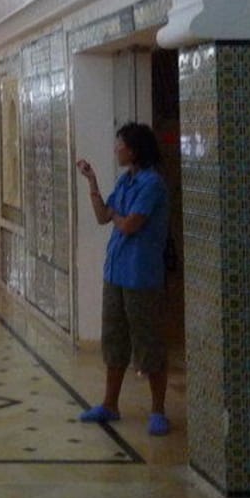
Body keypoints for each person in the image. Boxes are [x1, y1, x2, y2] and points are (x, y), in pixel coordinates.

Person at [75, 122, 171, 436]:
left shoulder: (152, 184)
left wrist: (119, 218)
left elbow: (131, 225)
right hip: (116, 272)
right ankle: (110, 404)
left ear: (134, 149)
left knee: (148, 342)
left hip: (141, 274)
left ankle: (158, 410)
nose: (116, 149)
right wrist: (92, 181)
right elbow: (104, 216)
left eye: (120, 145)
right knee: (114, 339)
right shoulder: (125, 181)